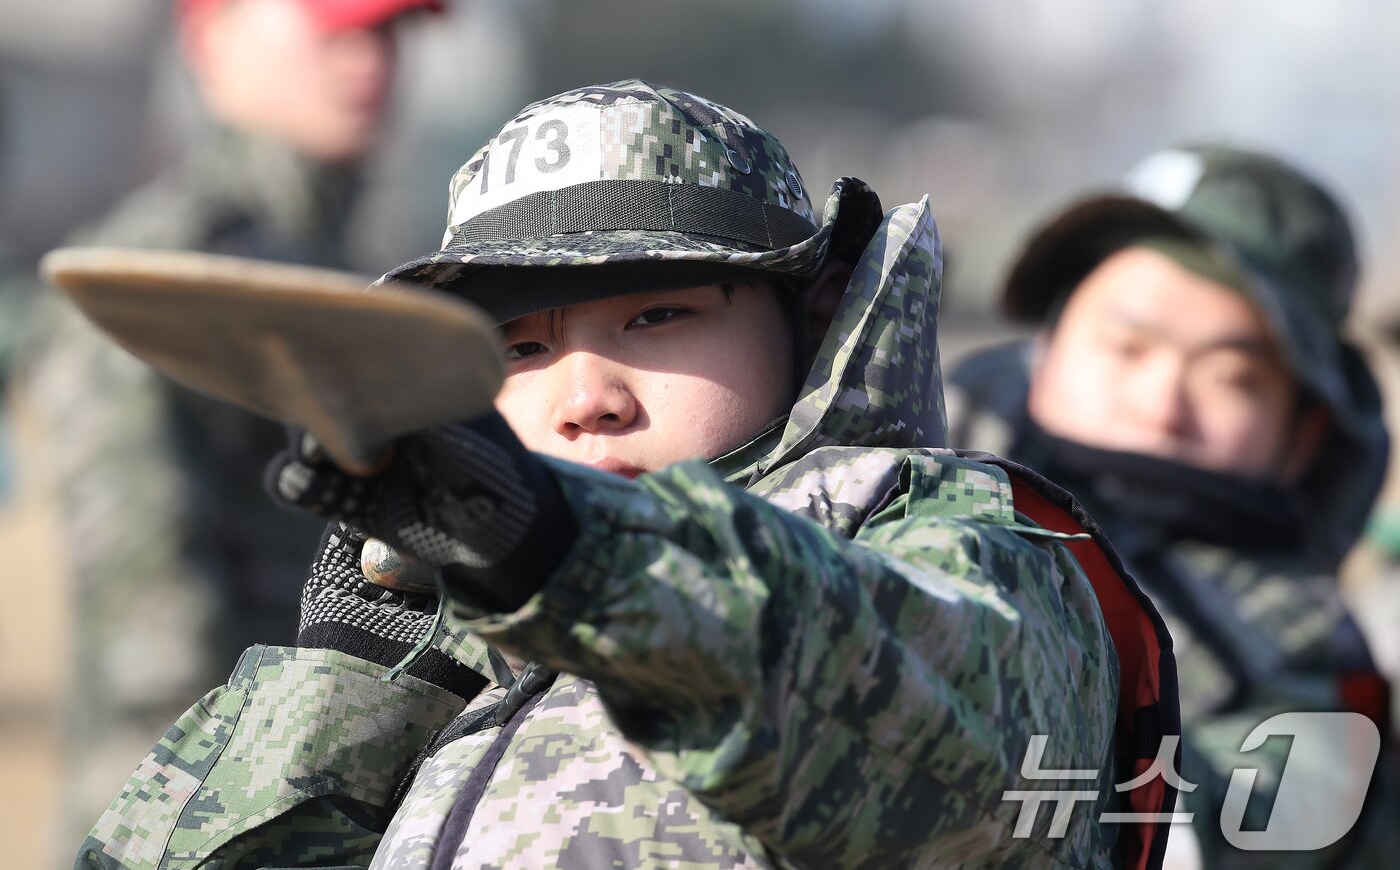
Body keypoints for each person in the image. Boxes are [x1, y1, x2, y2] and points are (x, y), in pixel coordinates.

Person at [78, 80, 1178, 868]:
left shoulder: (946, 541)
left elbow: (940, 758)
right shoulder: (470, 623)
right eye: (518, 346)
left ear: (809, 318)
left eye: (658, 314)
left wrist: (568, 553)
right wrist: (351, 682)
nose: (585, 392)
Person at [16, 0, 446, 835]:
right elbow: (149, 644)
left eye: (387, 27)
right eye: (335, 20)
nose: (369, 55)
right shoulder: (157, 280)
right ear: (209, 39)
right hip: (202, 814)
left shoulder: (350, 271)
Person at [947, 143, 1395, 867]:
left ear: (1305, 430)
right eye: (1126, 348)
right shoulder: (881, 483)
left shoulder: (1313, 664)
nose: (1162, 405)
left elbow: (1242, 819)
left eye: (1230, 376)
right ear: (1047, 351)